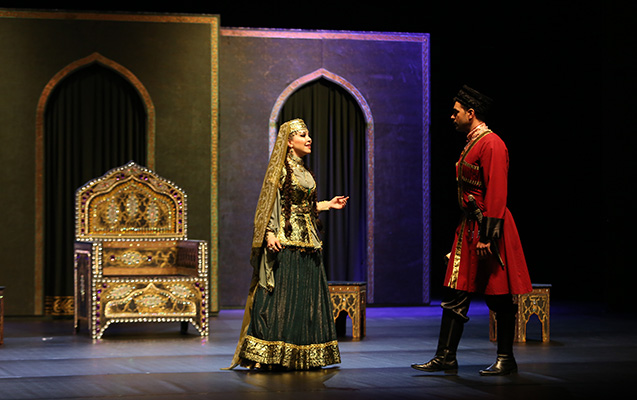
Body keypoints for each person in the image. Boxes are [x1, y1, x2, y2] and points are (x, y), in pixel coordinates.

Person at [411, 85, 532, 376]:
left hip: (489, 228)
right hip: (469, 227)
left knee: (498, 294)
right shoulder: (472, 143)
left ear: (471, 112)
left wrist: (488, 236)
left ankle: (506, 358)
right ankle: (445, 356)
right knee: (456, 291)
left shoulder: (492, 144)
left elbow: (497, 193)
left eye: (456, 112)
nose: (452, 117)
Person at [226, 118, 348, 371]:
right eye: (302, 135)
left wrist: (327, 204)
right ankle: (269, 354)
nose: (308, 139)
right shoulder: (280, 171)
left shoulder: (304, 171)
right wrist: (269, 233)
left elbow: (303, 207)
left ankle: (303, 354)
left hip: (309, 241)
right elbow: (271, 203)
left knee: (305, 298)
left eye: (308, 134)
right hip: (286, 241)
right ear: (289, 142)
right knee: (281, 297)